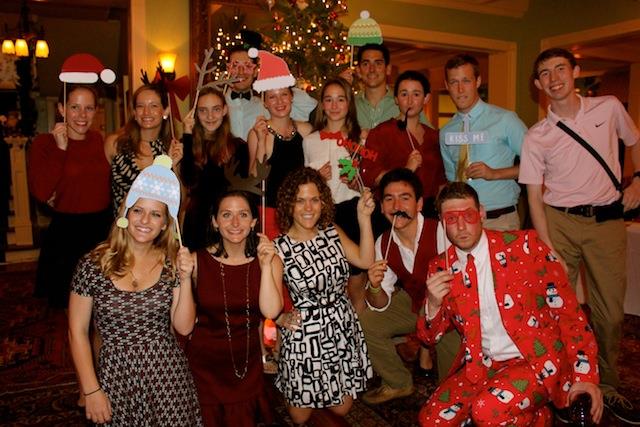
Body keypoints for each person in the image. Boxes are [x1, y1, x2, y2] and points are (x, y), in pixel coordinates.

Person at [519, 47, 640, 424]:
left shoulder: (609, 108)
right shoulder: (537, 136)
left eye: (560, 69)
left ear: (576, 71)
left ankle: (606, 383)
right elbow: (533, 196)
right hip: (559, 222)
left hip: (606, 222)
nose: (553, 78)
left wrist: (638, 180)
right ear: (538, 84)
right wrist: (548, 245)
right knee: (555, 309)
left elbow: (634, 140)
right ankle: (564, 384)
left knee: (610, 314)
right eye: (545, 73)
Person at [418, 182, 602, 426]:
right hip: (482, 365)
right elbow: (429, 338)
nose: (461, 226)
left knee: (486, 410)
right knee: (431, 420)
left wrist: (585, 376)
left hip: (534, 361)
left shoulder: (525, 246)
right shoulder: (440, 267)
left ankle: (532, 417)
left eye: (468, 215)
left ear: (481, 213)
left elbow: (569, 313)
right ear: (442, 222)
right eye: (452, 219)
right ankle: (533, 417)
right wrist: (433, 304)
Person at [68, 156, 202, 425]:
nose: (145, 220)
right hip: (115, 379)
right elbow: (77, 331)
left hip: (168, 379)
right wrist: (91, 390)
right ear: (126, 213)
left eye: (156, 214)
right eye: (138, 210)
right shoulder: (93, 264)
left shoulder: (172, 263)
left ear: (165, 224)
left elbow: (184, 327)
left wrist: (186, 278)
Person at [273, 167, 374, 425]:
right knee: (299, 417)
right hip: (304, 334)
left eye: (315, 199)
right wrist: (279, 318)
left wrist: (364, 219)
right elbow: (265, 297)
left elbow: (365, 260)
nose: (308, 208)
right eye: (300, 200)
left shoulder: (331, 231)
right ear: (289, 205)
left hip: (340, 324)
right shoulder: (278, 247)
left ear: (323, 202)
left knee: (341, 409)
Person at [184, 190, 283, 426]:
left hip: (247, 364)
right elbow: (182, 323)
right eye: (227, 215)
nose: (236, 223)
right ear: (215, 222)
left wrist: (266, 267)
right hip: (204, 366)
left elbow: (270, 313)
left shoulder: (270, 260)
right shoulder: (195, 261)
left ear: (254, 222)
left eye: (243, 214)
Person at [360, 168, 442, 405]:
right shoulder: (383, 242)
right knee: (368, 322)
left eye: (405, 198)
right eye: (389, 199)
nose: (397, 206)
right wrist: (374, 287)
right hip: (416, 303)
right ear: (382, 207)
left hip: (451, 311)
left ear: (419, 204)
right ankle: (398, 383)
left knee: (452, 391)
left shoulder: (441, 231)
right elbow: (380, 304)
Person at [28, 84, 112, 309]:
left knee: (103, 305)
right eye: (75, 107)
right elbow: (41, 192)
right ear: (61, 109)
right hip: (67, 233)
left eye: (89, 108)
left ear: (96, 111)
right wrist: (61, 149)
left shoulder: (100, 140)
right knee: (71, 307)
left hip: (101, 231)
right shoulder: (44, 143)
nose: (82, 115)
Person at [439, 54, 526, 231]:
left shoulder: (505, 120)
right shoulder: (446, 132)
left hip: (500, 220)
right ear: (447, 86)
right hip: (462, 222)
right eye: (454, 82)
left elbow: (538, 166)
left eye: (466, 81)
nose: (460, 89)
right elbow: (452, 179)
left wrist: (494, 173)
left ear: (477, 81)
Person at [360, 70, 445, 218]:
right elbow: (370, 176)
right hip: (393, 213)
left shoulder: (434, 136)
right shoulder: (381, 132)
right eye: (404, 94)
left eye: (416, 94)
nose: (410, 101)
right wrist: (406, 170)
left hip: (429, 213)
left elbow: (441, 181)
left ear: (426, 98)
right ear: (396, 99)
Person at [247, 56, 313, 238]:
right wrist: (261, 142)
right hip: (269, 213)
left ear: (292, 97)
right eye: (272, 97)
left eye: (284, 94)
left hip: (301, 212)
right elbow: (254, 179)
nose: (279, 101)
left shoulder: (306, 130)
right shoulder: (257, 132)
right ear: (265, 102)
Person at [181, 87, 248, 250]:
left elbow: (241, 192)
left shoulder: (238, 147)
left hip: (227, 223)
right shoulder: (188, 144)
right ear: (195, 114)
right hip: (196, 223)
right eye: (203, 110)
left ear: (224, 110)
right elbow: (188, 179)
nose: (210, 116)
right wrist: (187, 134)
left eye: (216, 109)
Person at [224, 31, 317, 141]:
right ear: (228, 69)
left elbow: (309, 106)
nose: (241, 72)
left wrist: (277, 83)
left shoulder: (269, 105)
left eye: (247, 66)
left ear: (255, 71)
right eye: (235, 66)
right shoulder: (217, 105)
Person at [105, 84, 183, 214]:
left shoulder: (172, 148)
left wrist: (174, 166)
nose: (146, 112)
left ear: (165, 111)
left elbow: (180, 202)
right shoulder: (115, 144)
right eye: (140, 106)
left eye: (154, 106)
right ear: (134, 113)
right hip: (121, 224)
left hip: (157, 225)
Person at [340, 43, 430, 131]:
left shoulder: (404, 103)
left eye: (378, 63)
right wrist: (340, 85)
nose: (372, 69)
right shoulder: (349, 105)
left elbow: (429, 136)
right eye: (366, 64)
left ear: (388, 69)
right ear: (358, 71)